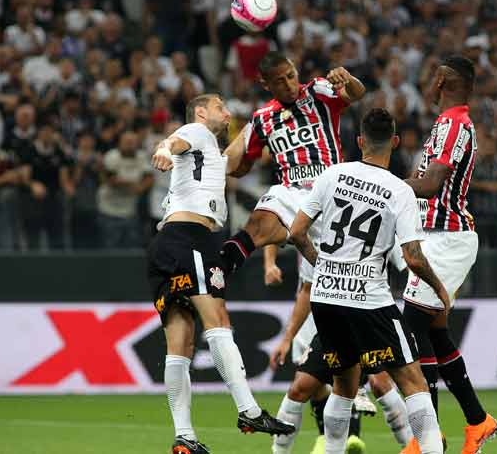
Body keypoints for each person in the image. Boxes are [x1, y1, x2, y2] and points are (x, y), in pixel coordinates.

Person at [289, 108, 447, 454]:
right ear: (395, 141)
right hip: (369, 300)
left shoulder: (332, 174)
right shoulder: (399, 189)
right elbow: (413, 258)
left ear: (360, 141)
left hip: (326, 297)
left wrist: (324, 264)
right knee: (413, 382)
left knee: (344, 385)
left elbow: (296, 231)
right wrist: (439, 288)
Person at [148, 94, 294, 454]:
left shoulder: (212, 155)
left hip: (166, 244)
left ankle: (184, 437)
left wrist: (272, 115)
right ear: (201, 112)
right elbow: (174, 141)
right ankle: (249, 410)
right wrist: (166, 149)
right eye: (220, 107)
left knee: (180, 343)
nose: (227, 113)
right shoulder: (196, 132)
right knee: (218, 321)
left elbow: (236, 151)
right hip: (191, 239)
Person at [400, 55, 497, 454]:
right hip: (434, 235)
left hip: (447, 237)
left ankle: (429, 436)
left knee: (412, 330)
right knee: (435, 334)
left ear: (441, 79)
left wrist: (380, 182)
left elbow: (430, 185)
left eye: (431, 75)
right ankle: (477, 421)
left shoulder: (455, 124)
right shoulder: (448, 123)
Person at [221, 51, 365, 283]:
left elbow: (356, 94)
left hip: (331, 191)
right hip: (290, 192)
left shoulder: (317, 91)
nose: (289, 84)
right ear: (265, 84)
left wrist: (348, 78)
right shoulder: (262, 118)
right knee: (255, 227)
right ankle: (214, 275)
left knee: (340, 285)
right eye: (280, 80)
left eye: (291, 75)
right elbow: (241, 166)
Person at [268, 249, 414, 454]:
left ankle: (414, 447)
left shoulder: (383, 220)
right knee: (301, 387)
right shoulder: (321, 241)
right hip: (332, 323)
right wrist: (286, 339)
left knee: (381, 384)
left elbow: (410, 262)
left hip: (372, 319)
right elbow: (307, 288)